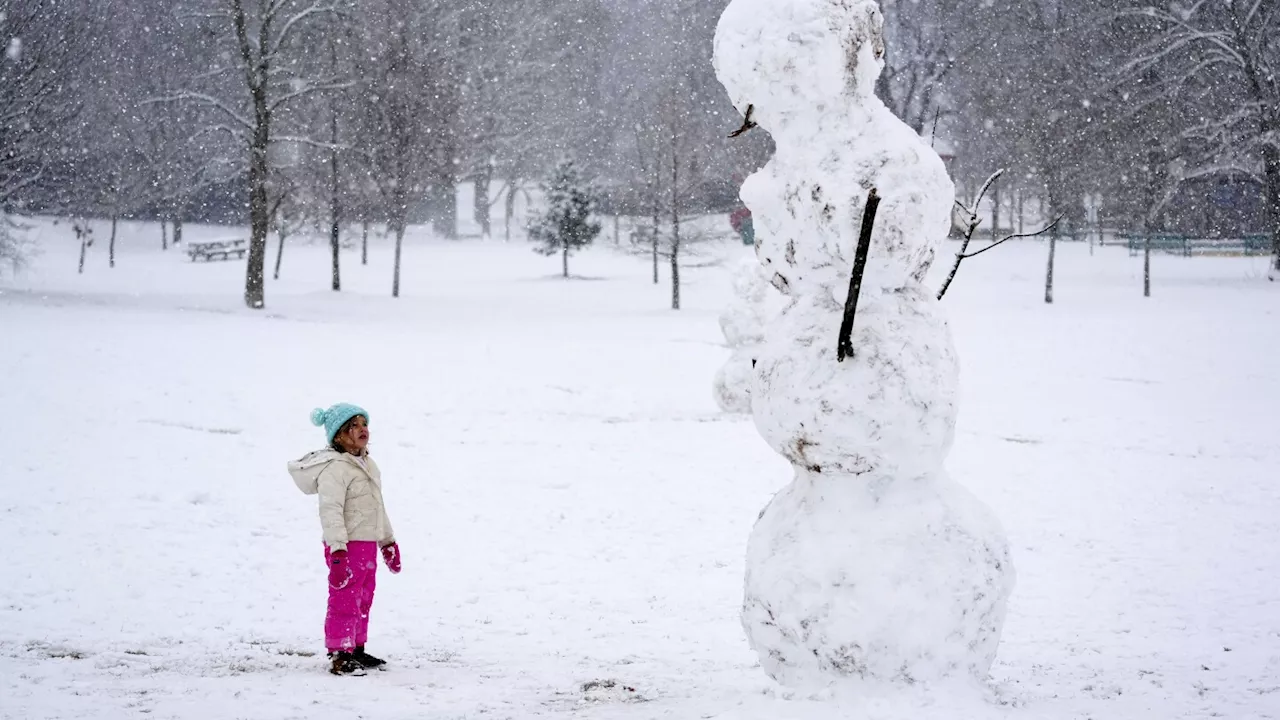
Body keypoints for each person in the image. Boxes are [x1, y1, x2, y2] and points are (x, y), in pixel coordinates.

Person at [287, 403, 401, 676]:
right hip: (345, 546)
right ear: (339, 434)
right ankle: (340, 653)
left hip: (367, 543)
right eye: (355, 425)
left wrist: (387, 541)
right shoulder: (335, 469)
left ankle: (356, 648)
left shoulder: (368, 465)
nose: (363, 429)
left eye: (365, 423)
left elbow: (377, 506)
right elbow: (331, 511)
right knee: (345, 598)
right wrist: (337, 551)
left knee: (363, 597)